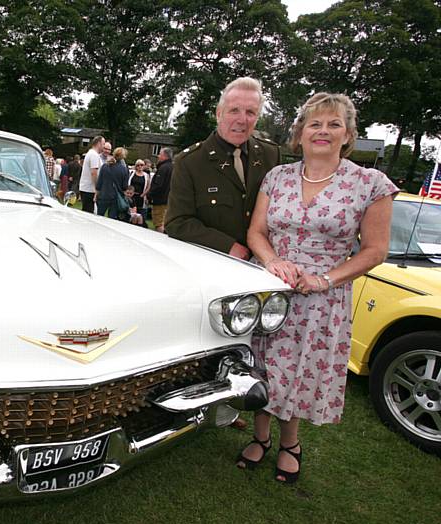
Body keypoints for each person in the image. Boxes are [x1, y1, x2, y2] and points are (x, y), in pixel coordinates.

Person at [240, 92, 398, 484]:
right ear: (300, 134)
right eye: (314, 124)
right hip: (270, 289)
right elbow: (256, 232)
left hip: (322, 297)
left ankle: (290, 443)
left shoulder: (370, 183)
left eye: (333, 124)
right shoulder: (277, 177)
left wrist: (323, 279)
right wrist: (272, 261)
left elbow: (376, 250)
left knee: (297, 372)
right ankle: (260, 436)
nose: (323, 131)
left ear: (348, 135)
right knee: (261, 367)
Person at [165, 77, 280, 257]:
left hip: (266, 268)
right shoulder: (190, 162)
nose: (242, 120)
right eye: (234, 111)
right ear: (219, 113)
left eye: (250, 112)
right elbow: (177, 223)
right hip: (214, 265)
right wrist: (228, 246)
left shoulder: (270, 155)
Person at [96, 147, 129, 218]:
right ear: (123, 157)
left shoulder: (105, 166)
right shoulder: (124, 170)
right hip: (115, 197)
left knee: (99, 217)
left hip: (103, 195)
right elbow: (125, 187)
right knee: (112, 219)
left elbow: (99, 184)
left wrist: (96, 195)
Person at [147, 147, 174, 232]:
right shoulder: (173, 167)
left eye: (160, 154)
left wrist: (149, 195)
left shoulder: (163, 168)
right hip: (168, 201)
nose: (158, 156)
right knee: (165, 223)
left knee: (158, 223)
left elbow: (158, 185)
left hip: (160, 201)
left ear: (164, 156)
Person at [79, 136, 105, 213]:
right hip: (89, 190)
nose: (104, 146)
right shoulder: (94, 155)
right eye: (103, 144)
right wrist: (97, 189)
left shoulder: (91, 153)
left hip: (87, 188)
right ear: (99, 143)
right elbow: (94, 173)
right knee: (89, 213)